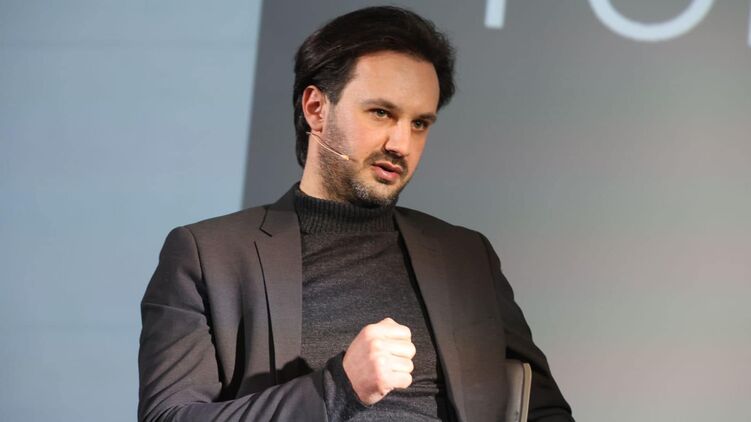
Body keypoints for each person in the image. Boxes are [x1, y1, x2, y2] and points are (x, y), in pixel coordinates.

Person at [138, 6, 573, 422]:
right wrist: (339, 388)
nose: (401, 144)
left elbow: (543, 411)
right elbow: (168, 416)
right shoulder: (207, 255)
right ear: (316, 109)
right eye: (381, 113)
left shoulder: (466, 256)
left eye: (419, 123)